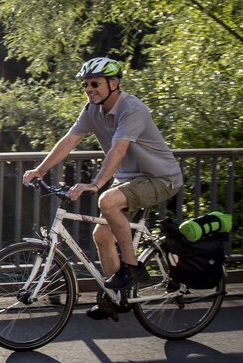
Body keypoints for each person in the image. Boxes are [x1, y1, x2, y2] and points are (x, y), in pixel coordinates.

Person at [22, 57, 183, 321]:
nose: (89, 89)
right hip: (131, 180)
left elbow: (118, 150)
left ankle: (132, 268)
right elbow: (69, 141)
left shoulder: (132, 109)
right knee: (102, 237)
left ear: (114, 83)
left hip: (160, 178)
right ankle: (116, 299)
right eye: (85, 85)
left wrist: (96, 184)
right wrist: (41, 169)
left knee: (107, 201)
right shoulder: (91, 111)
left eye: (95, 83)